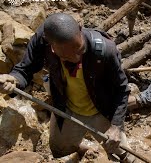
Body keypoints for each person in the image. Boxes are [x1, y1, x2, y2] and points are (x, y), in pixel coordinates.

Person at [0, 13, 134, 162]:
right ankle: (83, 149)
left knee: (121, 153)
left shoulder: (105, 49)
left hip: (102, 110)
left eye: (80, 49)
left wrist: (116, 126)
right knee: (59, 149)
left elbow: (122, 89)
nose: (77, 57)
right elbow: (25, 69)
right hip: (67, 110)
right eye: (68, 56)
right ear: (52, 48)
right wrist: (13, 79)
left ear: (80, 29)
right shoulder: (43, 40)